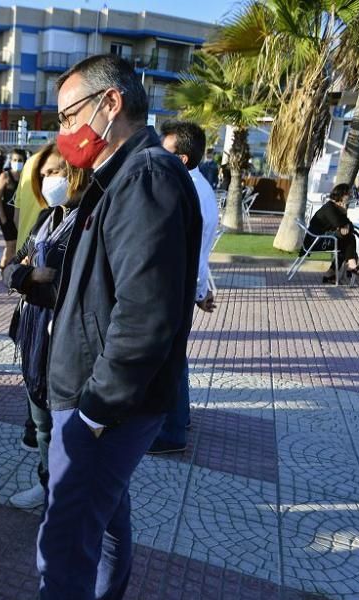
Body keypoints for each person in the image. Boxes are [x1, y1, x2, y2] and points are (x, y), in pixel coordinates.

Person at [29, 54, 201, 600]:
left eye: (68, 113)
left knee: (65, 541)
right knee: (102, 528)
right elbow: (107, 290)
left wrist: (95, 411)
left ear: (110, 105)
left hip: (104, 406)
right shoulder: (118, 177)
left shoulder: (145, 177)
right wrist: (43, 285)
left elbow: (144, 316)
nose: (61, 131)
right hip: (99, 399)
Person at [2, 142, 88, 510]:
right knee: (40, 422)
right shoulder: (46, 218)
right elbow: (8, 269)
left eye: (58, 172)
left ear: (78, 173)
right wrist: (28, 274)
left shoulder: (87, 224)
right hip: (34, 332)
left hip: (64, 337)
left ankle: (64, 494)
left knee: (64, 424)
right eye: (45, 174)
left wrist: (25, 276)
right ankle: (45, 482)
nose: (50, 180)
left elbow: (66, 286)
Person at [150, 120, 222, 455]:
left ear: (180, 158)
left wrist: (196, 290)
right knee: (176, 357)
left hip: (176, 287)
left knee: (170, 360)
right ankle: (181, 418)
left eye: (163, 152)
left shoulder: (187, 190)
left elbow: (190, 249)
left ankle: (171, 432)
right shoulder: (197, 186)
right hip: (185, 284)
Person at [304, 183, 359, 282]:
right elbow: (337, 223)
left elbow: (349, 225)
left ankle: (331, 273)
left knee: (346, 244)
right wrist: (344, 222)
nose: (350, 196)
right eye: (348, 194)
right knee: (349, 239)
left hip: (321, 238)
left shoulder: (336, 208)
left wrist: (345, 219)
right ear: (341, 195)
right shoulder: (329, 208)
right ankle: (350, 264)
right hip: (316, 241)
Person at [0, 149, 26, 270]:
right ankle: (2, 267)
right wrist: (2, 217)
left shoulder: (26, 176)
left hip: (20, 217)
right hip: (7, 217)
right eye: (15, 160)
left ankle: (11, 268)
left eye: (20, 160)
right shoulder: (5, 176)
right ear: (10, 161)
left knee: (18, 246)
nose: (17, 162)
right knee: (11, 245)